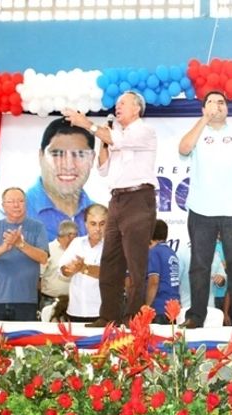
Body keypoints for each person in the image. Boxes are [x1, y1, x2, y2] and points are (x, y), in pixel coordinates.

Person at [63, 91, 157, 326]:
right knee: (110, 261)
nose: (118, 107)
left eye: (123, 103)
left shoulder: (144, 131)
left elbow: (120, 141)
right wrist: (102, 140)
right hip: (116, 200)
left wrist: (87, 124)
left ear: (137, 108)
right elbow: (103, 169)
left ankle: (132, 318)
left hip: (138, 198)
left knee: (135, 264)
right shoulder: (114, 135)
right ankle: (109, 316)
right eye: (116, 104)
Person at [178, 91, 232, 328]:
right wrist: (204, 120)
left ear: (228, 108)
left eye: (221, 102)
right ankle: (195, 317)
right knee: (199, 266)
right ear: (203, 108)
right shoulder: (198, 131)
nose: (217, 106)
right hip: (201, 209)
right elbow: (184, 149)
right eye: (211, 102)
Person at [0, 187, 49, 321]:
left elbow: (43, 258)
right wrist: (3, 248)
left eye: (20, 201)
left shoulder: (37, 227)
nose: (16, 205)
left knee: (25, 336)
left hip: (26, 300)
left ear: (26, 204)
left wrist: (20, 244)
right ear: (3, 205)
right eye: (11, 202)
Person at [26, 117, 96, 241]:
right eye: (57, 154)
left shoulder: (103, 217)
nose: (68, 166)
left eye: (80, 154)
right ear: (41, 156)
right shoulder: (12, 213)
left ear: (92, 159)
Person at [59, 205, 107, 323]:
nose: (98, 229)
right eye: (93, 224)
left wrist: (83, 268)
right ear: (85, 224)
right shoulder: (77, 243)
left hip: (101, 312)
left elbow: (108, 273)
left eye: (102, 224)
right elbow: (61, 270)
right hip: (75, 310)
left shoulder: (113, 246)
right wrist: (69, 269)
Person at [146, 219, 180, 322]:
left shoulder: (154, 252)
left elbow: (154, 281)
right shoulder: (172, 253)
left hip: (159, 308)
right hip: (173, 308)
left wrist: (147, 306)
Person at [40, 220, 78, 310]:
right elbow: (38, 275)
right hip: (50, 300)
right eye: (70, 236)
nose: (73, 240)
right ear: (62, 235)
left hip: (73, 301)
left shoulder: (78, 250)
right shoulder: (48, 249)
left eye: (75, 236)